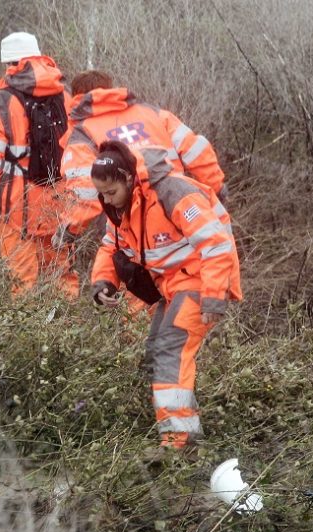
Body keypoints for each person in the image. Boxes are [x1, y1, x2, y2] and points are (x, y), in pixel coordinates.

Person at [89, 140, 241, 450]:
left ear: (128, 178)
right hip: (171, 287)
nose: (107, 201)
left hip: (200, 282)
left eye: (111, 193)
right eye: (101, 194)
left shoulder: (173, 192)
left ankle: (179, 442)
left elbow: (216, 244)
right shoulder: (121, 206)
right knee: (155, 354)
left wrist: (214, 296)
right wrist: (104, 283)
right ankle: (179, 429)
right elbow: (111, 246)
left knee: (170, 351)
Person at [51, 70, 226, 249]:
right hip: (175, 203)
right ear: (111, 89)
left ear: (76, 96)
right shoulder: (153, 113)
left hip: (127, 222)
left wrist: (69, 229)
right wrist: (217, 188)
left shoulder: (82, 133)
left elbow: (84, 191)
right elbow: (198, 151)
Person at [0, 32, 77, 299]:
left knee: (22, 280)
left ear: (10, 64)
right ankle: (67, 333)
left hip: (17, 209)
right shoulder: (66, 94)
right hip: (60, 206)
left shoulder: (1, 102)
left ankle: (26, 336)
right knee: (62, 276)